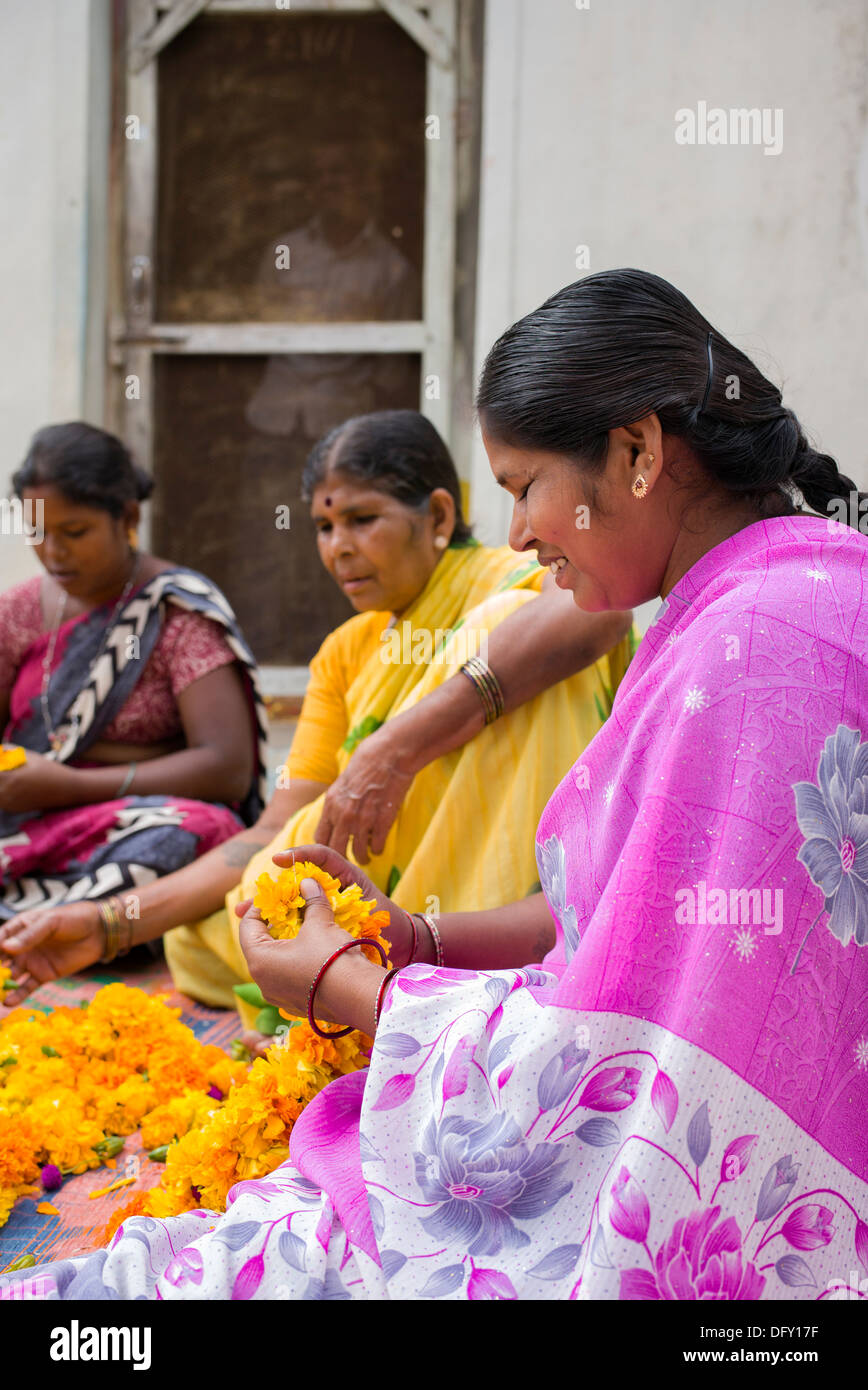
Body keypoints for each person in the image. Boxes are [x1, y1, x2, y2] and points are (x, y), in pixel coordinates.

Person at [3, 268, 865, 1302]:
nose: (520, 536)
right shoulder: (746, 601)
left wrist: (349, 987)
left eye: (522, 486)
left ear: (634, 453)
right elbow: (625, 919)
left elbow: (651, 1078)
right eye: (321, 526)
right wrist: (416, 941)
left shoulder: (745, 646)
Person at [0, 410, 633, 1019]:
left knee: (499, 632)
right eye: (325, 529)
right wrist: (109, 922)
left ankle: (457, 971)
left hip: (511, 900)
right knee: (226, 913)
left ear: (438, 515)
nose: (339, 549)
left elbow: (594, 615)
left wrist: (393, 749)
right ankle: (371, 966)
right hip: (380, 896)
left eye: (362, 520)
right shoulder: (345, 653)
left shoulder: (522, 578)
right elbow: (274, 828)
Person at [0, 423, 264, 924]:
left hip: (132, 826)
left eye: (74, 533)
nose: (53, 552)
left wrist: (69, 785)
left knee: (191, 835)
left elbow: (229, 769)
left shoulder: (175, 611)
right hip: (28, 824)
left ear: (128, 516)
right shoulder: (15, 613)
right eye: (36, 532)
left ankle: (67, 927)